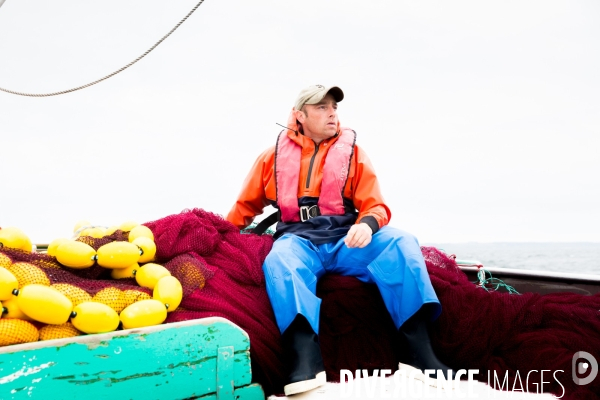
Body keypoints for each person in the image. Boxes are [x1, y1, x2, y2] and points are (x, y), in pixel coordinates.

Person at [227, 84, 453, 396]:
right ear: (299, 115)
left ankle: (419, 351)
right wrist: (220, 235)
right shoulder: (271, 158)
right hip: (298, 239)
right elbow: (243, 209)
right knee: (280, 260)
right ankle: (305, 357)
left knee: (401, 242)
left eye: (334, 107)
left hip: (346, 240)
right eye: (321, 107)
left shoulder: (354, 153)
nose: (332, 113)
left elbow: (376, 205)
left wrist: (368, 225)